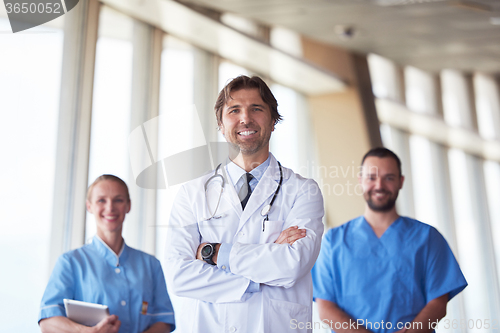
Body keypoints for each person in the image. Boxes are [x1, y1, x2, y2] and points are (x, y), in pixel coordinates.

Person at [165, 75, 324, 333]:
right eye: (234, 110)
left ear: (273, 121)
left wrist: (214, 253)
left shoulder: (303, 191)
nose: (245, 119)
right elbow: (179, 276)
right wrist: (261, 274)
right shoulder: (192, 193)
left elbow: (293, 264)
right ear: (220, 123)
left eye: (256, 109)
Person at [312, 148, 467, 333]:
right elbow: (325, 307)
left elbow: (438, 304)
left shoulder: (428, 238)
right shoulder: (333, 241)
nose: (379, 185)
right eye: (371, 178)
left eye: (389, 178)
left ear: (401, 182)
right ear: (360, 181)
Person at [39, 175, 175, 333]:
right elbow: (48, 321)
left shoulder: (150, 265)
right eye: (101, 200)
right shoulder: (70, 262)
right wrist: (88, 332)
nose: (110, 208)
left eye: (118, 200)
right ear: (89, 206)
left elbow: (163, 321)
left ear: (128, 206)